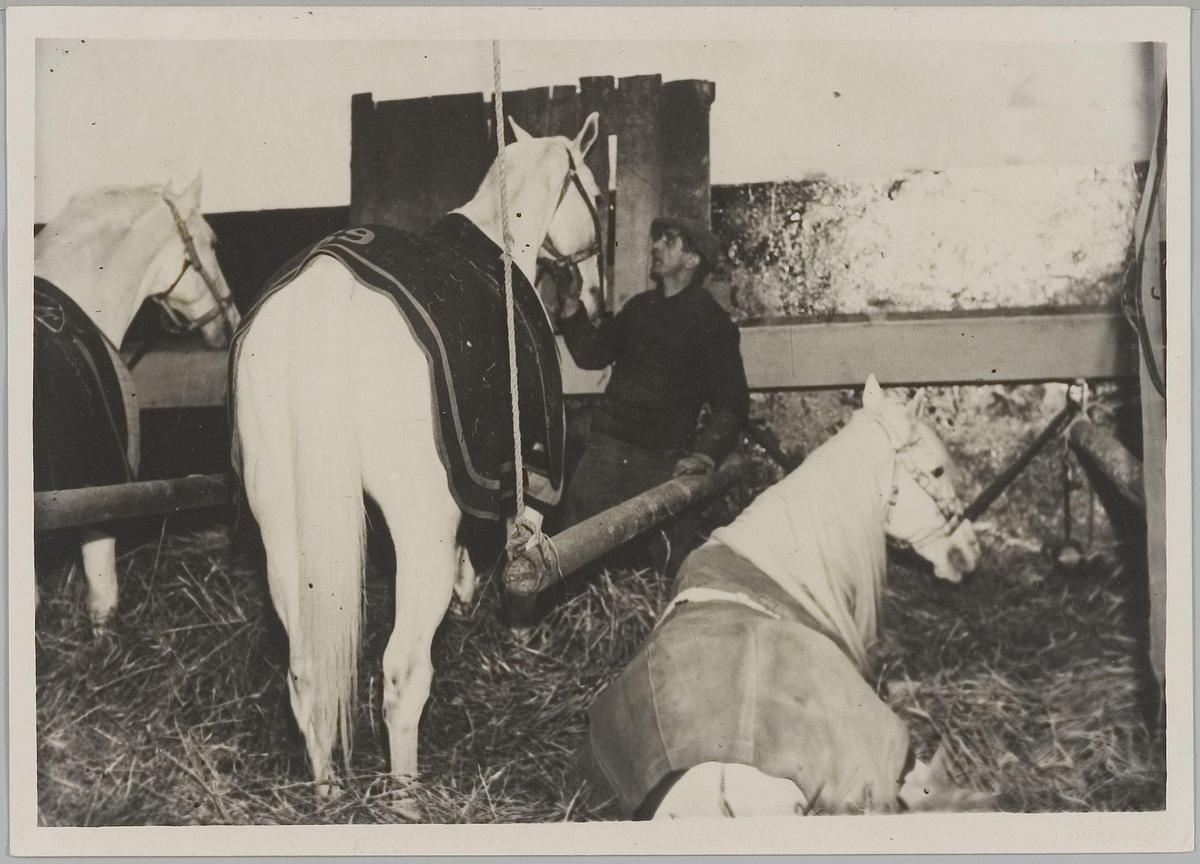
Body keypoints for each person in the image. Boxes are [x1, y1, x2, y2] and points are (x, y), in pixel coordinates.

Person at [556, 215, 749, 571]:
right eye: (657, 239)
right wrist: (570, 302)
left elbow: (732, 403)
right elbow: (591, 354)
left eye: (669, 240)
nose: (655, 246)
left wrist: (704, 455)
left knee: (667, 566)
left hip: (660, 464)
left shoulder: (712, 323)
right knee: (572, 559)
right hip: (605, 454)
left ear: (692, 259)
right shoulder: (639, 309)